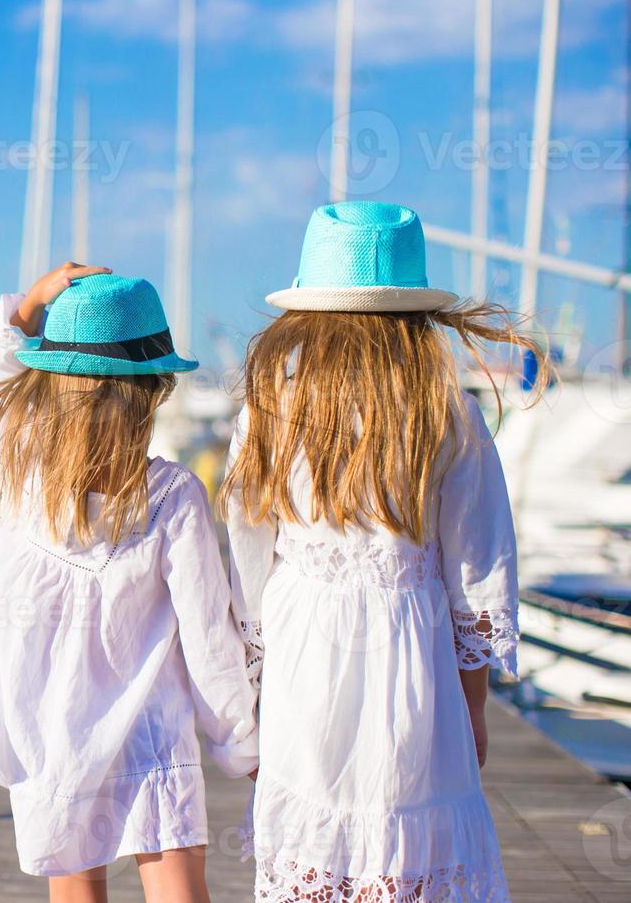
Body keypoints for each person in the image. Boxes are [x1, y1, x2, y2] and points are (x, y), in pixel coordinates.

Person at [221, 201, 546, 901]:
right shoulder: (445, 409)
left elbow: (248, 553)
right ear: (414, 316)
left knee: (316, 838)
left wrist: (251, 687)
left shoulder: (270, 402)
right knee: (407, 837)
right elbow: (477, 567)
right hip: (414, 651)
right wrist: (476, 705)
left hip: (305, 647)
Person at [0, 263, 260, 903]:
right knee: (177, 886)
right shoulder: (171, 496)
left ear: (49, 381)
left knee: (75, 889)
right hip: (153, 729)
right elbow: (210, 641)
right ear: (156, 389)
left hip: (48, 725)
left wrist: (32, 303)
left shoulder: (17, 463)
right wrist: (242, 745)